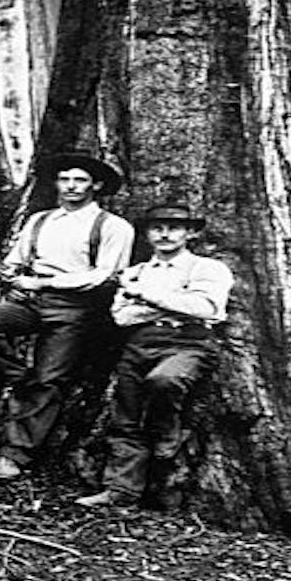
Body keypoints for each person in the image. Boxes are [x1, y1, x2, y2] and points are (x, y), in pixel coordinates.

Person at [0, 152, 135, 480]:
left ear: (95, 185)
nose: (71, 186)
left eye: (80, 180)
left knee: (49, 380)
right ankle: (17, 375)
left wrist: (44, 281)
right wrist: (10, 278)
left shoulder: (113, 226)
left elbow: (104, 274)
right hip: (30, 302)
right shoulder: (39, 220)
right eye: (65, 179)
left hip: (77, 308)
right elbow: (14, 261)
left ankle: (15, 454)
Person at [78, 202, 234, 509]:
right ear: (147, 234)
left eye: (174, 228)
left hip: (189, 342)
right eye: (156, 228)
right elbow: (122, 315)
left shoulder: (207, 268)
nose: (165, 235)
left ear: (190, 233)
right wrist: (174, 301)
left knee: (164, 380)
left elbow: (206, 309)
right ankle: (121, 490)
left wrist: (146, 296)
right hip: (140, 342)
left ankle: (167, 430)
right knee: (126, 414)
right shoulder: (135, 272)